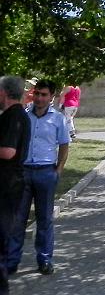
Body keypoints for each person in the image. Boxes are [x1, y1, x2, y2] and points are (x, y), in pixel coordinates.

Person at [8, 79, 69, 276]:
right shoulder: (23, 116)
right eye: (37, 94)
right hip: (23, 172)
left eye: (44, 95)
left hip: (46, 172)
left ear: (51, 97)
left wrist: (58, 170)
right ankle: (12, 261)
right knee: (18, 219)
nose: (40, 99)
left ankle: (44, 259)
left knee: (44, 219)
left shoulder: (58, 119)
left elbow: (64, 146)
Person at [0, 76, 30, 293]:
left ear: (5, 93)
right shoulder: (13, 116)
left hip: (7, 186)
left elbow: (8, 151)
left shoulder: (14, 117)